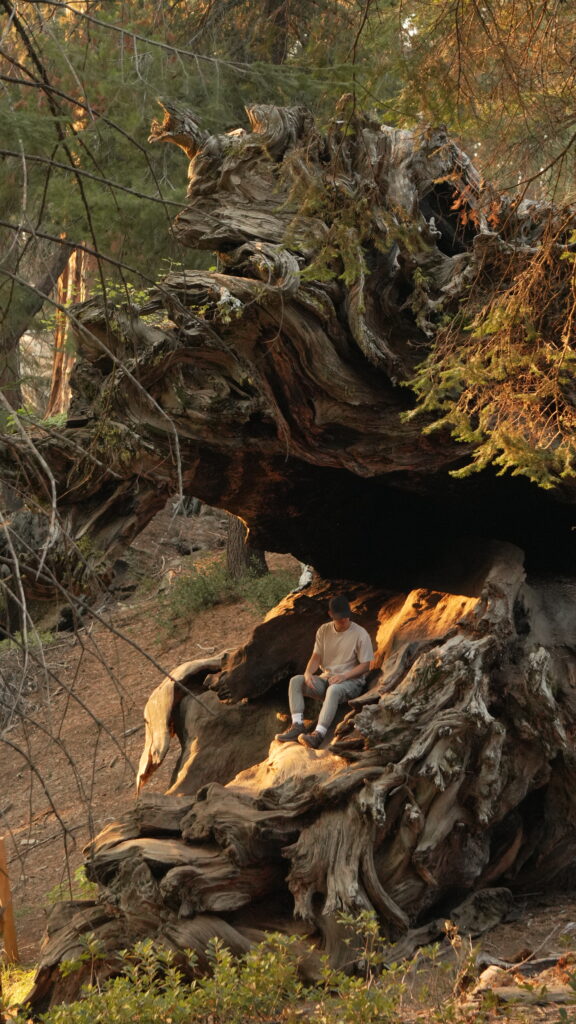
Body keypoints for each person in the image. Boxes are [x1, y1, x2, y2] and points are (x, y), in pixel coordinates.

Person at [276, 595, 373, 749]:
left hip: (351, 682)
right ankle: (297, 726)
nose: (344, 620)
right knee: (296, 680)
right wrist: (308, 673)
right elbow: (316, 657)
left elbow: (366, 666)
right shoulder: (324, 631)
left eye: (347, 616)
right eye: (340, 617)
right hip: (327, 679)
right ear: (330, 615)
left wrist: (344, 676)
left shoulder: (361, 634)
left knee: (334, 690)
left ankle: (318, 735)